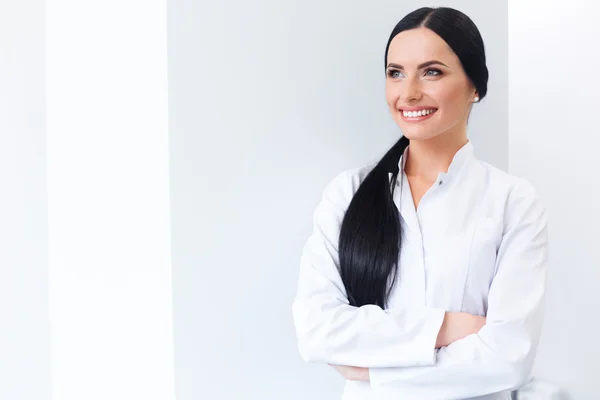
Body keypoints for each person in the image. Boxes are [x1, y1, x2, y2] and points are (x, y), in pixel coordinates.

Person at [291, 6, 548, 400]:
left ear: (475, 85)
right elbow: (316, 330)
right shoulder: (347, 194)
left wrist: (372, 374)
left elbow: (508, 358)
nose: (408, 92)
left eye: (432, 71)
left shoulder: (513, 202)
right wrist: (448, 327)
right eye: (396, 72)